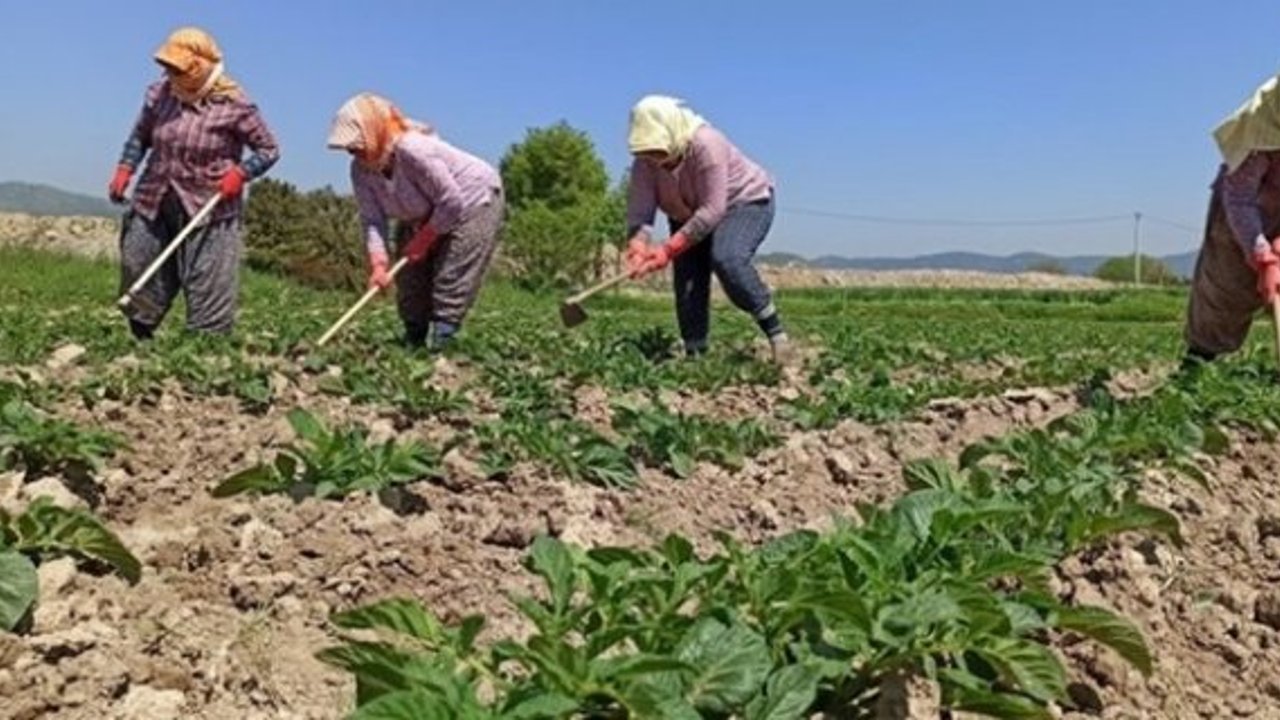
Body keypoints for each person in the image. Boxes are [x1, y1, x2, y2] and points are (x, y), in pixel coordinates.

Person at [108, 27, 280, 338]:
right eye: (167, 67)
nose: (169, 73)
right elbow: (140, 136)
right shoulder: (158, 94)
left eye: (177, 68)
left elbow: (269, 150)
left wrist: (241, 173)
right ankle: (141, 332)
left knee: (207, 275)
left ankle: (204, 345)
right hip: (155, 194)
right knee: (139, 258)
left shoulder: (234, 105)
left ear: (199, 66)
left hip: (208, 204)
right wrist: (125, 167)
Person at [327, 93, 504, 351]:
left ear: (374, 131)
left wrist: (425, 238)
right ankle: (413, 340)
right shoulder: (361, 170)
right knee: (410, 276)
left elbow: (451, 201)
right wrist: (378, 264)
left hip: (472, 199)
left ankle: (442, 343)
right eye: (349, 148)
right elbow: (372, 218)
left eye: (357, 144)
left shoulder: (413, 150)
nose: (354, 152)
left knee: (450, 274)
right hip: (422, 211)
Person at [623, 95, 789, 362]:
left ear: (671, 132)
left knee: (728, 258)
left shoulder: (706, 145)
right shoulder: (644, 163)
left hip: (743, 203)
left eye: (658, 151)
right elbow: (641, 212)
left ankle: (776, 335)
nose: (655, 160)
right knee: (688, 280)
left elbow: (712, 210)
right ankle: (695, 355)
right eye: (647, 153)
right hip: (688, 212)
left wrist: (668, 248)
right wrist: (637, 245)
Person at [1185, 73, 1280, 365]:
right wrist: (1262, 256)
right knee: (1226, 286)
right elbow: (1239, 198)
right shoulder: (1261, 126)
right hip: (1245, 211)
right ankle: (1201, 359)